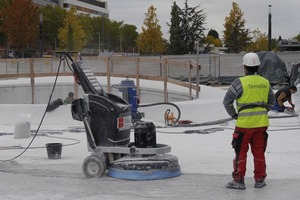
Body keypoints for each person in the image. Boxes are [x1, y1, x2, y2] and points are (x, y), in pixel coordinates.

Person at [223, 52, 275, 190]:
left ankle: (239, 180)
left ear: (244, 67)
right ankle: (260, 179)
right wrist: (263, 112)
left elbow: (227, 102)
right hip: (261, 125)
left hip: (244, 126)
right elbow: (272, 101)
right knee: (259, 152)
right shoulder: (265, 83)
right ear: (258, 67)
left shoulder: (239, 83)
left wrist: (234, 115)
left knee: (240, 152)